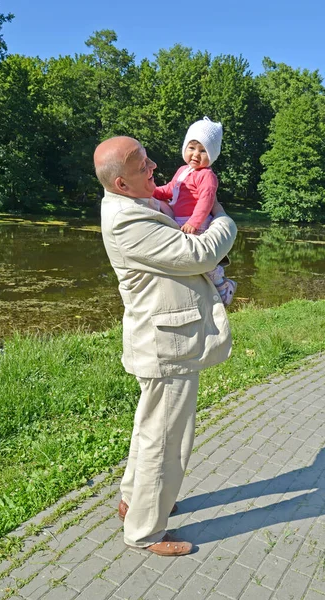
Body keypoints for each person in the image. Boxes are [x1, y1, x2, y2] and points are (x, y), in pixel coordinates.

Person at [94, 136, 237, 556]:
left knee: (150, 429)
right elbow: (201, 252)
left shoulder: (136, 204)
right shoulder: (127, 220)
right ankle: (145, 531)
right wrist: (223, 217)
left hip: (162, 339)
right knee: (167, 439)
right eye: (143, 165)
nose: (155, 165)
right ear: (121, 183)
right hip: (166, 344)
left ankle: (134, 501)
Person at [153, 116, 237, 306]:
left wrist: (195, 222)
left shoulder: (207, 175)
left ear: (212, 154)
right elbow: (169, 189)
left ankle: (223, 286)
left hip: (196, 223)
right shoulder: (182, 170)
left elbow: (206, 201)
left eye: (203, 151)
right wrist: (152, 191)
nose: (196, 155)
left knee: (203, 259)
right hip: (180, 220)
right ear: (184, 148)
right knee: (185, 257)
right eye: (191, 148)